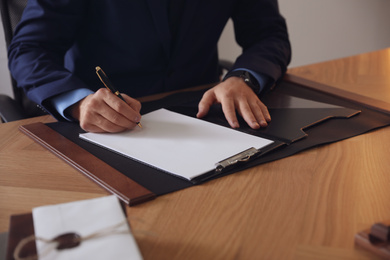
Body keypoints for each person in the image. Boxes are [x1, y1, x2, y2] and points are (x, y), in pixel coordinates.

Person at [8, 0, 291, 133]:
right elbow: (29, 50)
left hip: (205, 118)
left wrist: (243, 78)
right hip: (105, 126)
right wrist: (78, 103)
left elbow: (268, 34)